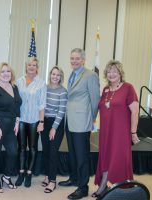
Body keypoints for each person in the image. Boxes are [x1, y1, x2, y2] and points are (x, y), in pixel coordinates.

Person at [92, 60, 140, 198]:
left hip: (120, 133)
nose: (111, 74)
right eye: (109, 71)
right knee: (106, 158)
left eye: (114, 71)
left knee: (118, 159)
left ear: (120, 73)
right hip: (106, 133)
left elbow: (135, 112)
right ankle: (104, 184)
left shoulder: (128, 88)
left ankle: (124, 189)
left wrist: (133, 132)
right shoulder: (105, 90)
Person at [58, 48, 100, 200]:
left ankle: (83, 187)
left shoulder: (90, 75)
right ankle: (74, 178)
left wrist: (90, 118)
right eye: (72, 58)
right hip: (70, 121)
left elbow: (95, 100)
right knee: (73, 153)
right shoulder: (72, 74)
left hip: (82, 122)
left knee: (82, 156)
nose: (74, 61)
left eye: (77, 58)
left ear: (83, 60)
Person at [0, 62, 22, 193]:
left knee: (13, 152)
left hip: (11, 127)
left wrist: (17, 122)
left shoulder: (14, 87)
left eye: (8, 71)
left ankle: (6, 177)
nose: (6, 74)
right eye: (2, 71)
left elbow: (17, 105)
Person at [16, 57, 46, 188]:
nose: (31, 67)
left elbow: (42, 104)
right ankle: (21, 172)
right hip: (21, 119)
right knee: (22, 147)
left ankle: (29, 173)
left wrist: (41, 122)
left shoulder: (41, 83)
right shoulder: (19, 81)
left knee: (33, 148)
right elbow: (16, 102)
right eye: (29, 65)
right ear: (26, 67)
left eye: (34, 65)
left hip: (34, 120)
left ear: (37, 68)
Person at [41, 66, 68, 193]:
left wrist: (54, 128)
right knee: (46, 150)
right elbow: (41, 105)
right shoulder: (44, 88)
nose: (55, 77)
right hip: (44, 121)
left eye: (58, 75)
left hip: (56, 123)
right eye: (53, 74)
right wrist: (41, 122)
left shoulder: (63, 91)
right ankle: (47, 175)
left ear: (60, 77)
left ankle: (52, 181)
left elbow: (62, 111)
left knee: (53, 151)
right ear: (50, 75)